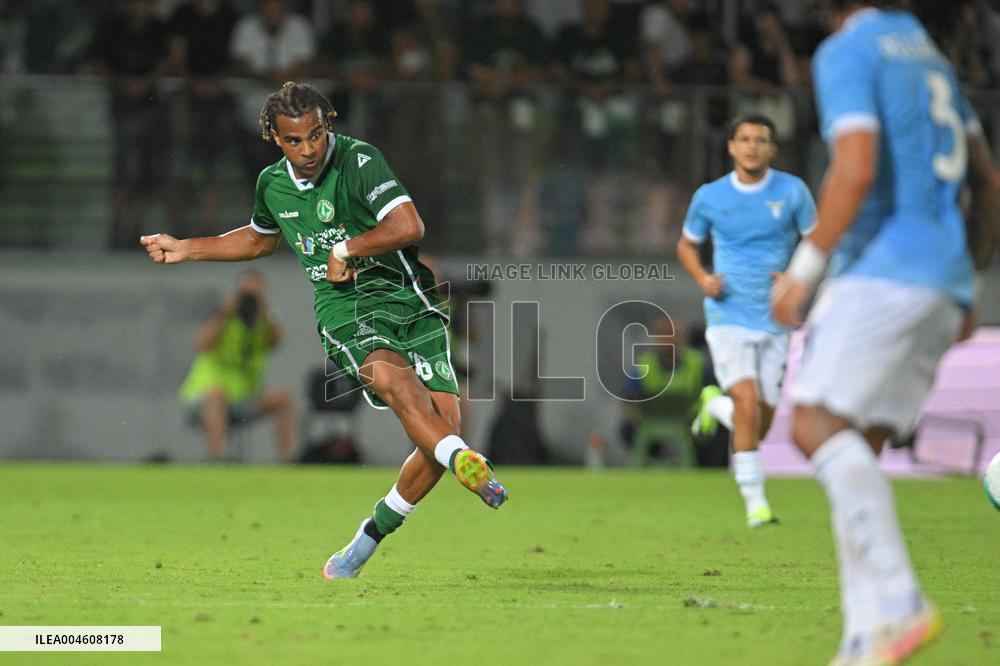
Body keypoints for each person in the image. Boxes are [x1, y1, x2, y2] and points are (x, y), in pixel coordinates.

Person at [140, 82, 508, 580]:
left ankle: (368, 537)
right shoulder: (273, 184)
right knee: (394, 382)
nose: (309, 149)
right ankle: (466, 459)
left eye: (316, 135)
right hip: (345, 308)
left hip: (409, 299)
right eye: (295, 141)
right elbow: (258, 238)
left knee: (438, 431)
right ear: (274, 137)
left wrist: (345, 249)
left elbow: (408, 226)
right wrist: (187, 248)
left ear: (327, 125)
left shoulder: (359, 161)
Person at [770, 2, 999, 663]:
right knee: (858, 446)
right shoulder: (928, 51)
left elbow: (856, 168)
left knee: (813, 424)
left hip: (884, 270)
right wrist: (969, 284)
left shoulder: (849, 49)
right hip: (945, 276)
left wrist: (802, 272)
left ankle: (898, 600)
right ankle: (864, 637)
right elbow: (988, 184)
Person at [676, 113, 816, 527]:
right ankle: (757, 505)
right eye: (745, 139)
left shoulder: (793, 192)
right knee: (749, 406)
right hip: (727, 315)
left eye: (761, 140)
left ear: (772, 149)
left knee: (760, 423)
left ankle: (714, 404)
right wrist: (703, 277)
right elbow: (686, 245)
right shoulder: (710, 196)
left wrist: (796, 277)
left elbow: (818, 242)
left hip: (775, 318)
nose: (753, 146)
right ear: (731, 147)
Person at [179, 270, 295, 462]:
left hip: (245, 397)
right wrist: (226, 311)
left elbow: (276, 341)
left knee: (283, 398)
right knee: (216, 394)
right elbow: (201, 344)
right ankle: (218, 458)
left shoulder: (264, 321)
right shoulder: (222, 317)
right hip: (204, 397)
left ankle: (288, 459)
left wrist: (264, 307)